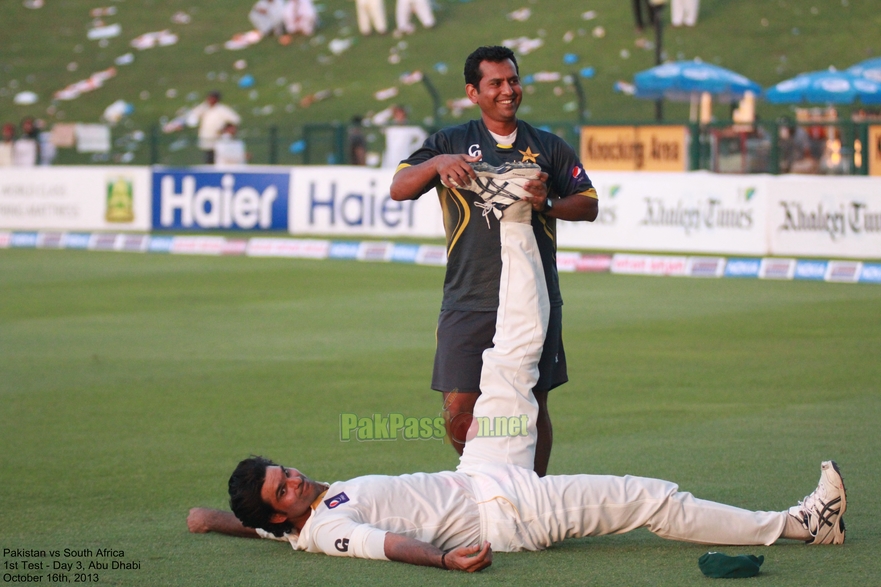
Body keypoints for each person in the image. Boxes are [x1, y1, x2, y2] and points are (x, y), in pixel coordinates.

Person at [188, 213, 848, 570]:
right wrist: (444, 560)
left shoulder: (289, 524)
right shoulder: (329, 526)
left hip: (481, 466)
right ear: (281, 514)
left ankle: (512, 217)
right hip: (509, 510)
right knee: (652, 497)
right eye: (284, 489)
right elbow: (384, 545)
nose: (295, 479)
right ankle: (801, 526)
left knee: (507, 356)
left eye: (286, 471)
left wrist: (217, 519)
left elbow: (215, 520)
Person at [388, 45, 598, 476]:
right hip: (469, 296)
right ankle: (480, 483)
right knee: (459, 405)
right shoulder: (448, 142)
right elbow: (400, 188)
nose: (509, 90)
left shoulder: (548, 146)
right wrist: (438, 164)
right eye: (496, 83)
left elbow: (589, 204)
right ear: (473, 92)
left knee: (533, 402)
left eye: (513, 80)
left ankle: (533, 496)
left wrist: (549, 204)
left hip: (535, 298)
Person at [186, 91, 242, 164]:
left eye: (212, 98)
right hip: (206, 139)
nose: (210, 100)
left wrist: (224, 129)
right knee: (208, 158)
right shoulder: (204, 108)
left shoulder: (222, 110)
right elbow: (193, 117)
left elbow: (235, 119)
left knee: (218, 159)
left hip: (218, 140)